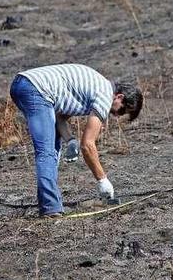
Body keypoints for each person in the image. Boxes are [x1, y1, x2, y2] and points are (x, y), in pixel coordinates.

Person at [9, 64, 144, 217]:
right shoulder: (105, 95)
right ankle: (50, 209)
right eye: (122, 110)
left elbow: (60, 117)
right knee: (46, 152)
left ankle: (49, 205)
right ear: (119, 97)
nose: (118, 115)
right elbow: (87, 145)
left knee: (51, 148)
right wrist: (102, 180)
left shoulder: (97, 86)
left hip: (23, 84)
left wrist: (70, 140)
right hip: (35, 88)